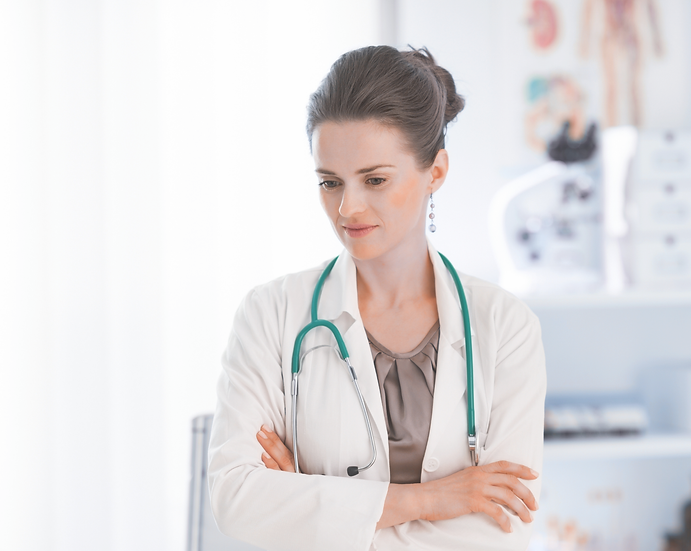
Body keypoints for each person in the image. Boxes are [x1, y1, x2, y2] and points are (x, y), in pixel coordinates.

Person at [207, 45, 547, 551]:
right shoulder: (270, 314)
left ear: (435, 171)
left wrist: (311, 504)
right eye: (330, 182)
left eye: (375, 180)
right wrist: (433, 500)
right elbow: (236, 500)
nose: (347, 207)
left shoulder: (505, 326)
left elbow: (503, 526)